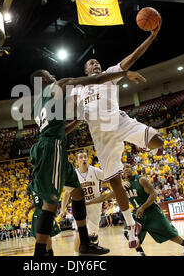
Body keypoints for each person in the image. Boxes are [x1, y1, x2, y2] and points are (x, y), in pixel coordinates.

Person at [29, 68, 143, 256]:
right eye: (49, 74)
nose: (53, 75)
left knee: (77, 191)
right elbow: (96, 79)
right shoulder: (58, 85)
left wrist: (77, 121)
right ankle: (39, 255)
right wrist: (122, 73)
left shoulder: (37, 105)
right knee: (50, 203)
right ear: (43, 80)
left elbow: (58, 129)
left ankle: (85, 243)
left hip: (51, 145)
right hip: (52, 149)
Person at [74, 23, 163, 248]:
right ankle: (131, 224)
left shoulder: (110, 74)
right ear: (85, 70)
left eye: (97, 62)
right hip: (100, 138)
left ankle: (142, 148)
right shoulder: (79, 89)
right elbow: (69, 109)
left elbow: (132, 56)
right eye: (90, 63)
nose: (95, 64)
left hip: (119, 122)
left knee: (158, 141)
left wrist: (152, 37)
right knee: (114, 183)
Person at [87, 163, 184, 256]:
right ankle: (140, 252)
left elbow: (153, 194)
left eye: (128, 167)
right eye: (123, 169)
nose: (126, 169)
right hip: (138, 214)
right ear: (121, 173)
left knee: (168, 232)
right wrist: (87, 203)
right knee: (129, 232)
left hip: (152, 211)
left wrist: (143, 207)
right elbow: (105, 197)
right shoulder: (122, 187)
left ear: (132, 169)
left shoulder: (141, 180)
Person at [60, 150, 105, 256]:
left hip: (94, 207)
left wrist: (121, 182)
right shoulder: (74, 174)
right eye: (81, 157)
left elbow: (109, 178)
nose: (83, 159)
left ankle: (94, 242)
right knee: (78, 234)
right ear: (77, 161)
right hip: (80, 206)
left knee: (93, 236)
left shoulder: (95, 171)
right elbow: (67, 193)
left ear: (88, 159)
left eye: (85, 157)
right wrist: (62, 209)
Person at [25, 185, 61, 256]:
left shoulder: (34, 185)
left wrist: (28, 209)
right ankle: (48, 252)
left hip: (41, 211)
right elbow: (37, 201)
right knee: (44, 235)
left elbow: (37, 202)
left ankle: (48, 252)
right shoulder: (41, 184)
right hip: (45, 209)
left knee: (42, 235)